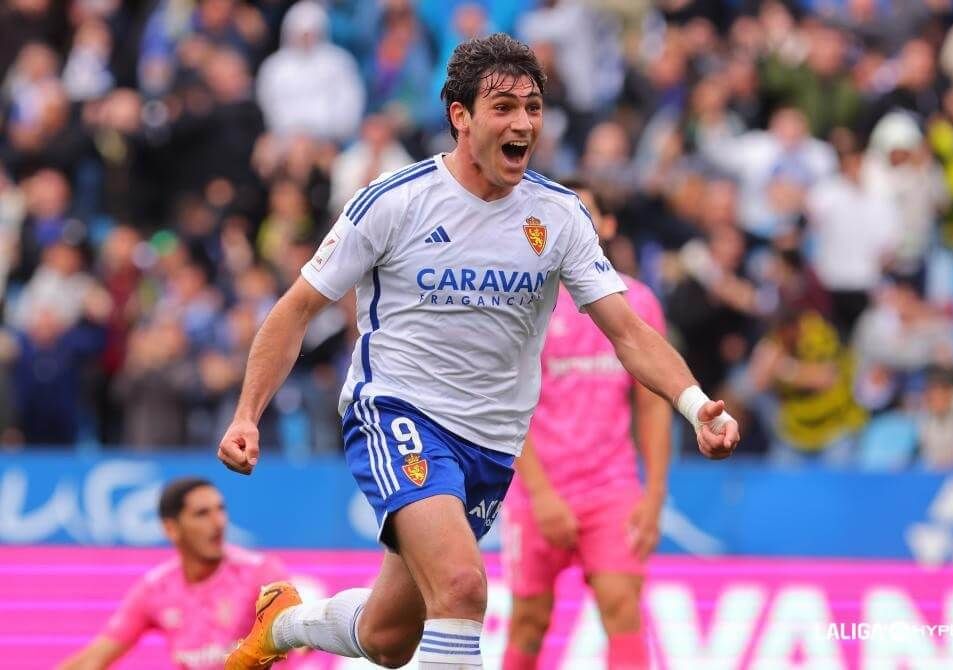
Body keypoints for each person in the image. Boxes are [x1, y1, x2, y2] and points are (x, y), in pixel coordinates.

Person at [218, 33, 739, 670]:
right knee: (464, 586)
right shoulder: (395, 202)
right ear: (460, 116)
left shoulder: (560, 216)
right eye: (504, 107)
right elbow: (296, 309)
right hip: (398, 412)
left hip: (490, 446)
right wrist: (247, 412)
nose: (523, 122)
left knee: (389, 637)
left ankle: (285, 621)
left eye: (533, 107)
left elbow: (628, 332)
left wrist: (694, 405)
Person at [500, 181, 671, 670]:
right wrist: (542, 493)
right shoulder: (525, 302)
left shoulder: (638, 304)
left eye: (585, 213)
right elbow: (509, 405)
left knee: (622, 606)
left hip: (611, 488)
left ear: (608, 225)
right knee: (529, 622)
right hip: (538, 491)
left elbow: (653, 405)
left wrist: (654, 494)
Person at [56, 477, 289, 670]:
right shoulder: (156, 588)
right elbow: (92, 659)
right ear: (171, 529)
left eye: (220, 510)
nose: (218, 522)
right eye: (202, 514)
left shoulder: (260, 573)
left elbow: (298, 648)